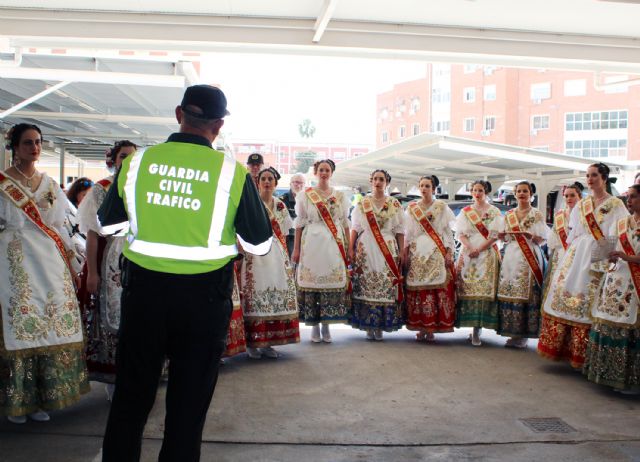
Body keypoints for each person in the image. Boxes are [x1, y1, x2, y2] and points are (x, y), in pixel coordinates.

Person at [98, 85, 272, 461]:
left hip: (144, 294)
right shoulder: (232, 172)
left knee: (131, 397)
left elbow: (108, 225)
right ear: (219, 125)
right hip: (204, 299)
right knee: (187, 406)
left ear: (179, 115)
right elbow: (259, 244)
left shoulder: (138, 163)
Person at [0, 123, 88, 424]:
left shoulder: (49, 184)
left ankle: (41, 398)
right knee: (19, 325)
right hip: (13, 259)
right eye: (28, 143)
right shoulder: (2, 183)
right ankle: (18, 399)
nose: (34, 148)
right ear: (14, 146)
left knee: (48, 324)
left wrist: (72, 262)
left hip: (47, 261)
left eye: (38, 142)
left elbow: (60, 225)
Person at [540, 163, 627, 368]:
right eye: (588, 175)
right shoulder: (582, 204)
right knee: (568, 295)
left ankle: (587, 356)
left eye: (594, 175)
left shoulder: (616, 204)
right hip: (578, 253)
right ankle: (566, 350)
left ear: (604, 177)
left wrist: (606, 261)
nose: (590, 179)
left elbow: (617, 235)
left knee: (591, 299)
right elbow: (574, 233)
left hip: (600, 252)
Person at [76, 140, 136, 395]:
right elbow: (92, 234)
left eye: (132, 157)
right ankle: (114, 376)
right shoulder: (100, 190)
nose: (127, 161)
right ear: (113, 159)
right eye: (123, 156)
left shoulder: (142, 186)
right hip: (111, 257)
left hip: (139, 257)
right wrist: (93, 271)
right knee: (112, 314)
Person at [583, 184, 640, 394]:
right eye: (628, 197)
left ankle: (630, 380)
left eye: (633, 197)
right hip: (615, 277)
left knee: (630, 327)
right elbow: (613, 247)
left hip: (635, 283)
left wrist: (628, 257)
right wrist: (608, 254)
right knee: (608, 323)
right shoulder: (621, 223)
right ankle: (607, 374)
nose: (629, 201)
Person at [241, 167, 300, 358]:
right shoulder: (251, 204)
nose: (267, 182)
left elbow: (283, 233)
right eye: (263, 179)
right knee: (255, 295)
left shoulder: (281, 206)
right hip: (255, 255)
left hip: (276, 255)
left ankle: (269, 342)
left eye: (270, 179)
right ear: (258, 183)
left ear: (275, 184)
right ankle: (252, 343)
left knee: (276, 294)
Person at [292, 159, 351, 343]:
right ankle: (314, 326)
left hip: (333, 244)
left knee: (329, 282)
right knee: (312, 283)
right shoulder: (305, 195)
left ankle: (326, 324)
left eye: (327, 170)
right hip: (311, 243)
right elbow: (300, 223)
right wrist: (295, 249)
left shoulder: (341, 196)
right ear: (316, 172)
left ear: (331, 173)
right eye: (321, 170)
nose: (324, 173)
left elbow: (344, 222)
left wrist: (348, 247)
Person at [349, 169, 404, 341]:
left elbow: (400, 230)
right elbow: (356, 227)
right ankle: (367, 324)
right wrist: (351, 248)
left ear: (387, 182)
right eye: (375, 179)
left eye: (381, 179)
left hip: (387, 246)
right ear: (371, 181)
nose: (378, 182)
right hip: (366, 246)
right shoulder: (362, 203)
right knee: (365, 282)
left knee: (385, 282)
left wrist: (402, 250)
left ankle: (380, 324)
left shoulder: (394, 203)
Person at [537, 182, 586, 366]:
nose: (568, 199)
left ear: (579, 196)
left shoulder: (584, 214)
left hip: (577, 258)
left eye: (572, 195)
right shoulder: (559, 216)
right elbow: (553, 241)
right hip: (560, 258)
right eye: (566, 195)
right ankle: (555, 343)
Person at [403, 175, 456, 342]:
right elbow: (408, 233)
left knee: (435, 289)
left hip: (436, 252)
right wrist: (405, 251)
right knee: (418, 289)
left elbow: (448, 232)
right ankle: (420, 325)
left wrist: (449, 252)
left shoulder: (441, 207)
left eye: (427, 186)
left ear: (434, 188)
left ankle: (432, 326)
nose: (424, 188)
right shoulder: (412, 208)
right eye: (421, 186)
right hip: (417, 252)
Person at [496, 181, 549, 348]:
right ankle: (512, 332)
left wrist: (530, 235)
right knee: (510, 291)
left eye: (525, 191)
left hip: (529, 255)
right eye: (519, 191)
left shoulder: (537, 214)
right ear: (515, 193)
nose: (521, 194)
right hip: (511, 255)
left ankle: (524, 334)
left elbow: (542, 240)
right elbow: (504, 238)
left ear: (531, 194)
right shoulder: (509, 214)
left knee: (527, 293)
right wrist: (501, 235)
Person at [454, 180, 503, 346]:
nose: (477, 193)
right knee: (466, 288)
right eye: (474, 190)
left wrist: (479, 249)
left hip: (486, 252)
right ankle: (469, 325)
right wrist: (470, 248)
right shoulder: (465, 212)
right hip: (469, 252)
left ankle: (477, 330)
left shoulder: (494, 211)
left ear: (486, 192)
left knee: (483, 289)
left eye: (480, 190)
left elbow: (494, 235)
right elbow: (460, 234)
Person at [280, 172, 306, 256]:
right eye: (296, 182)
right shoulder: (283, 200)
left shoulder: (308, 199)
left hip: (305, 235)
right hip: (290, 237)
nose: (298, 185)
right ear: (290, 184)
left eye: (301, 183)